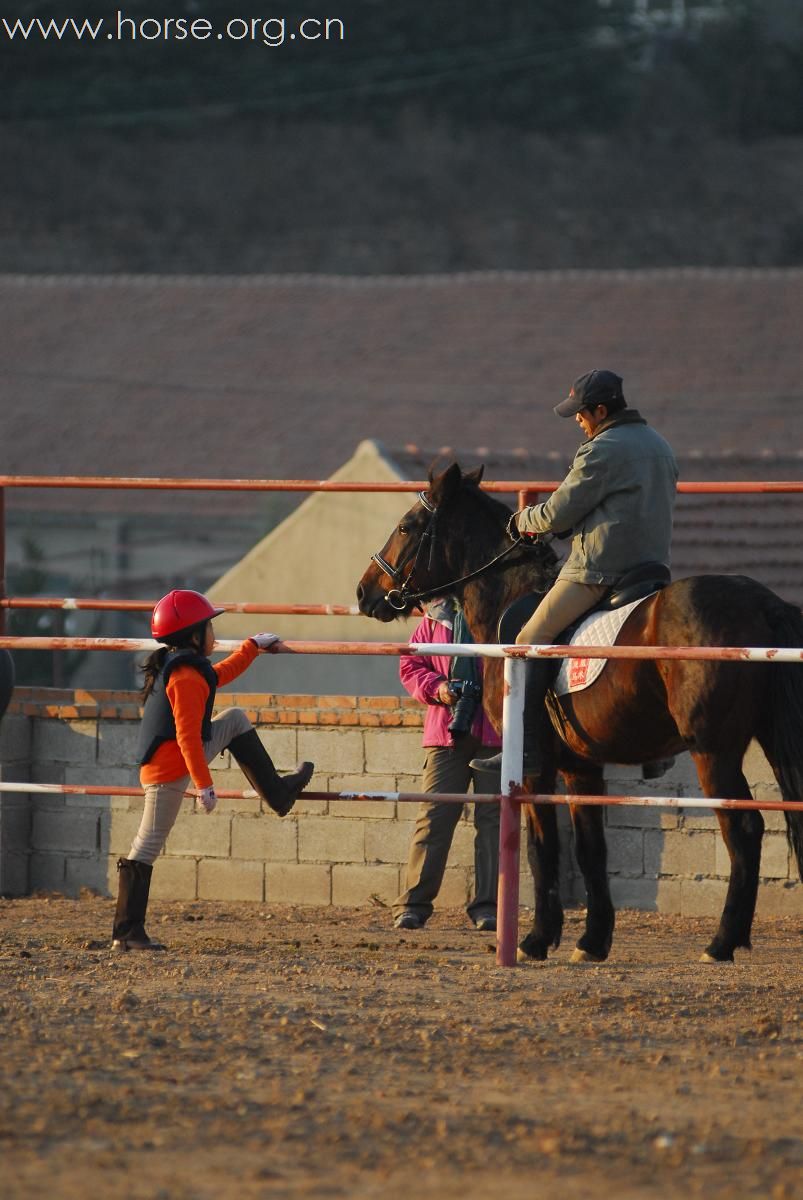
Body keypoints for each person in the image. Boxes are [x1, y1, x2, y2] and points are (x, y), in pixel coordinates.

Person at [475, 369, 678, 776]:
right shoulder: (659, 444)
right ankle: (658, 751)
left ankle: (525, 749)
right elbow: (614, 505)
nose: (578, 423)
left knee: (529, 640)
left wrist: (520, 522)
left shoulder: (601, 449)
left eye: (581, 415)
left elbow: (556, 511)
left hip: (600, 571)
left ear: (601, 410)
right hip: (651, 568)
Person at [112, 589, 314, 952]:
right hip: (170, 768)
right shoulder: (185, 677)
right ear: (193, 636)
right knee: (147, 843)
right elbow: (188, 736)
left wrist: (252, 646)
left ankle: (280, 794)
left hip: (174, 759)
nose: (214, 635)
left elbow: (219, 675)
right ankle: (127, 933)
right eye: (209, 628)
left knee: (234, 719)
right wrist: (205, 785)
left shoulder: (188, 666)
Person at [393, 597, 502, 932]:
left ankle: (488, 908)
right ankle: (413, 905)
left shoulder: (506, 609)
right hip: (446, 730)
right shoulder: (436, 616)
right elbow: (410, 666)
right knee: (435, 816)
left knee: (494, 822)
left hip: (498, 730)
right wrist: (440, 689)